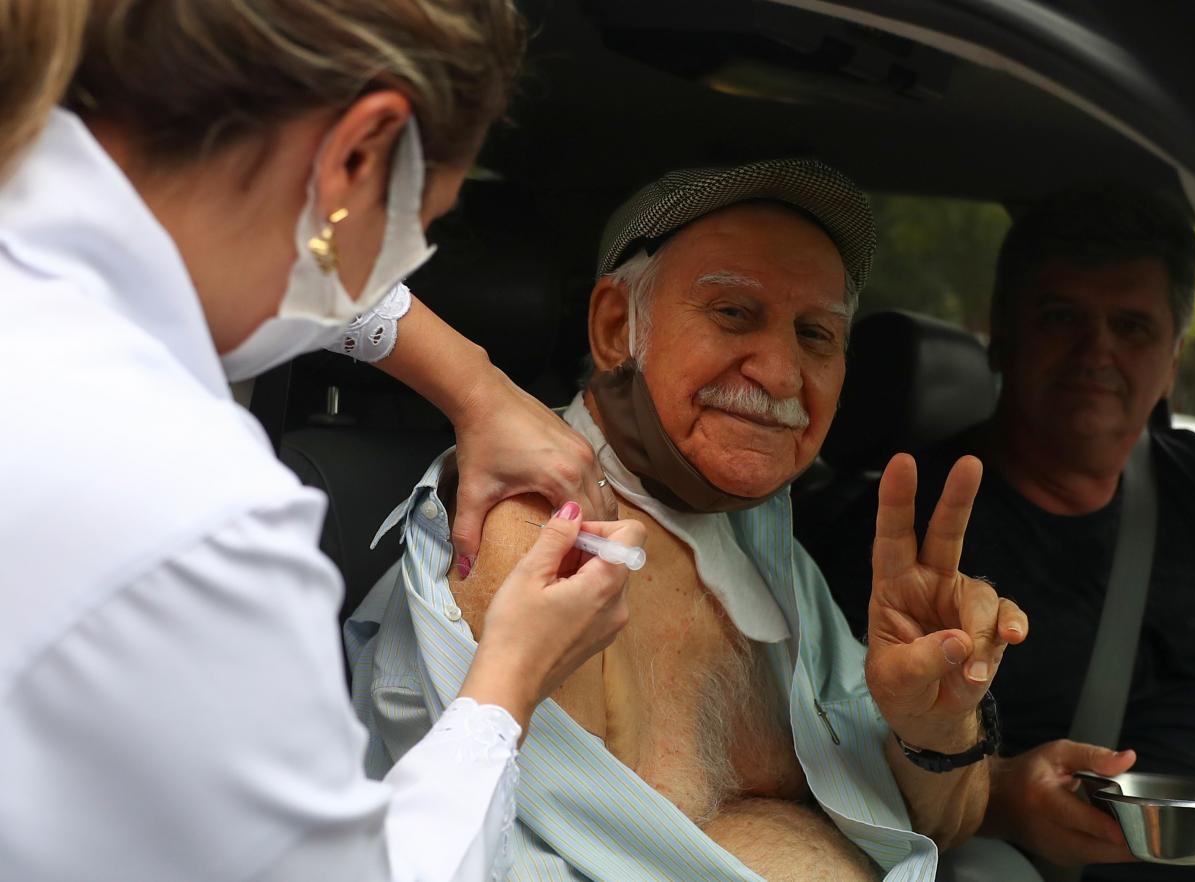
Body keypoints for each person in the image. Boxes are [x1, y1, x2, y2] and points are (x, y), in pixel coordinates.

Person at [0, 2, 642, 880]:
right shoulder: (199, 517)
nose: (396, 269)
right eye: (421, 228)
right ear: (355, 154)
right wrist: (504, 688)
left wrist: (474, 384)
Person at [347, 159, 1031, 882]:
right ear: (616, 327)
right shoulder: (540, 535)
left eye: (816, 335)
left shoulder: (767, 547)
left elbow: (945, 828)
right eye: (735, 313)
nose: (779, 372)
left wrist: (933, 727)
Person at [814, 186, 1195, 881]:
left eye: (1132, 327)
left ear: (1171, 361)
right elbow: (838, 761)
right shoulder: (905, 536)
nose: (1096, 350)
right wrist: (1002, 796)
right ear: (1001, 337)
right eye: (1061, 317)